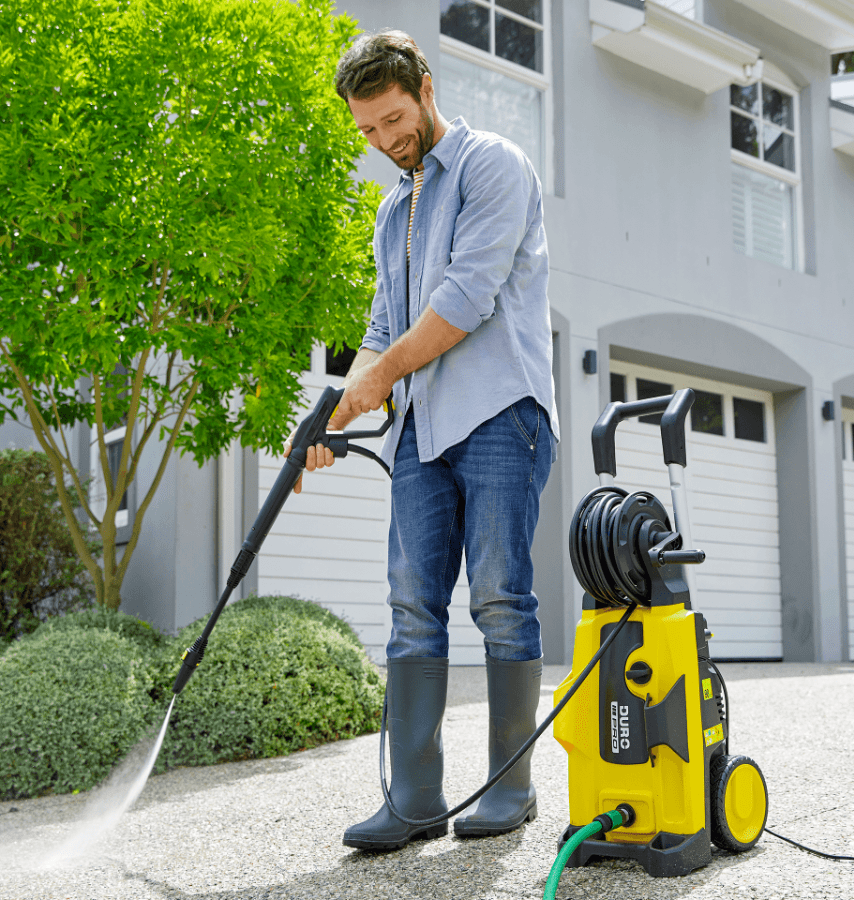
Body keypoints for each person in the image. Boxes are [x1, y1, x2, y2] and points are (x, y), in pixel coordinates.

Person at [284, 29, 559, 851]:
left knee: (502, 598)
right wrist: (339, 417)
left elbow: (467, 296)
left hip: (500, 412)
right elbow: (381, 330)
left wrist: (376, 380)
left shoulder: (492, 166)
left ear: (425, 88)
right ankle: (413, 800)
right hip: (419, 431)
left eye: (393, 120)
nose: (384, 141)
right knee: (411, 607)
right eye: (368, 131)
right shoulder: (390, 209)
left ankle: (511, 787)